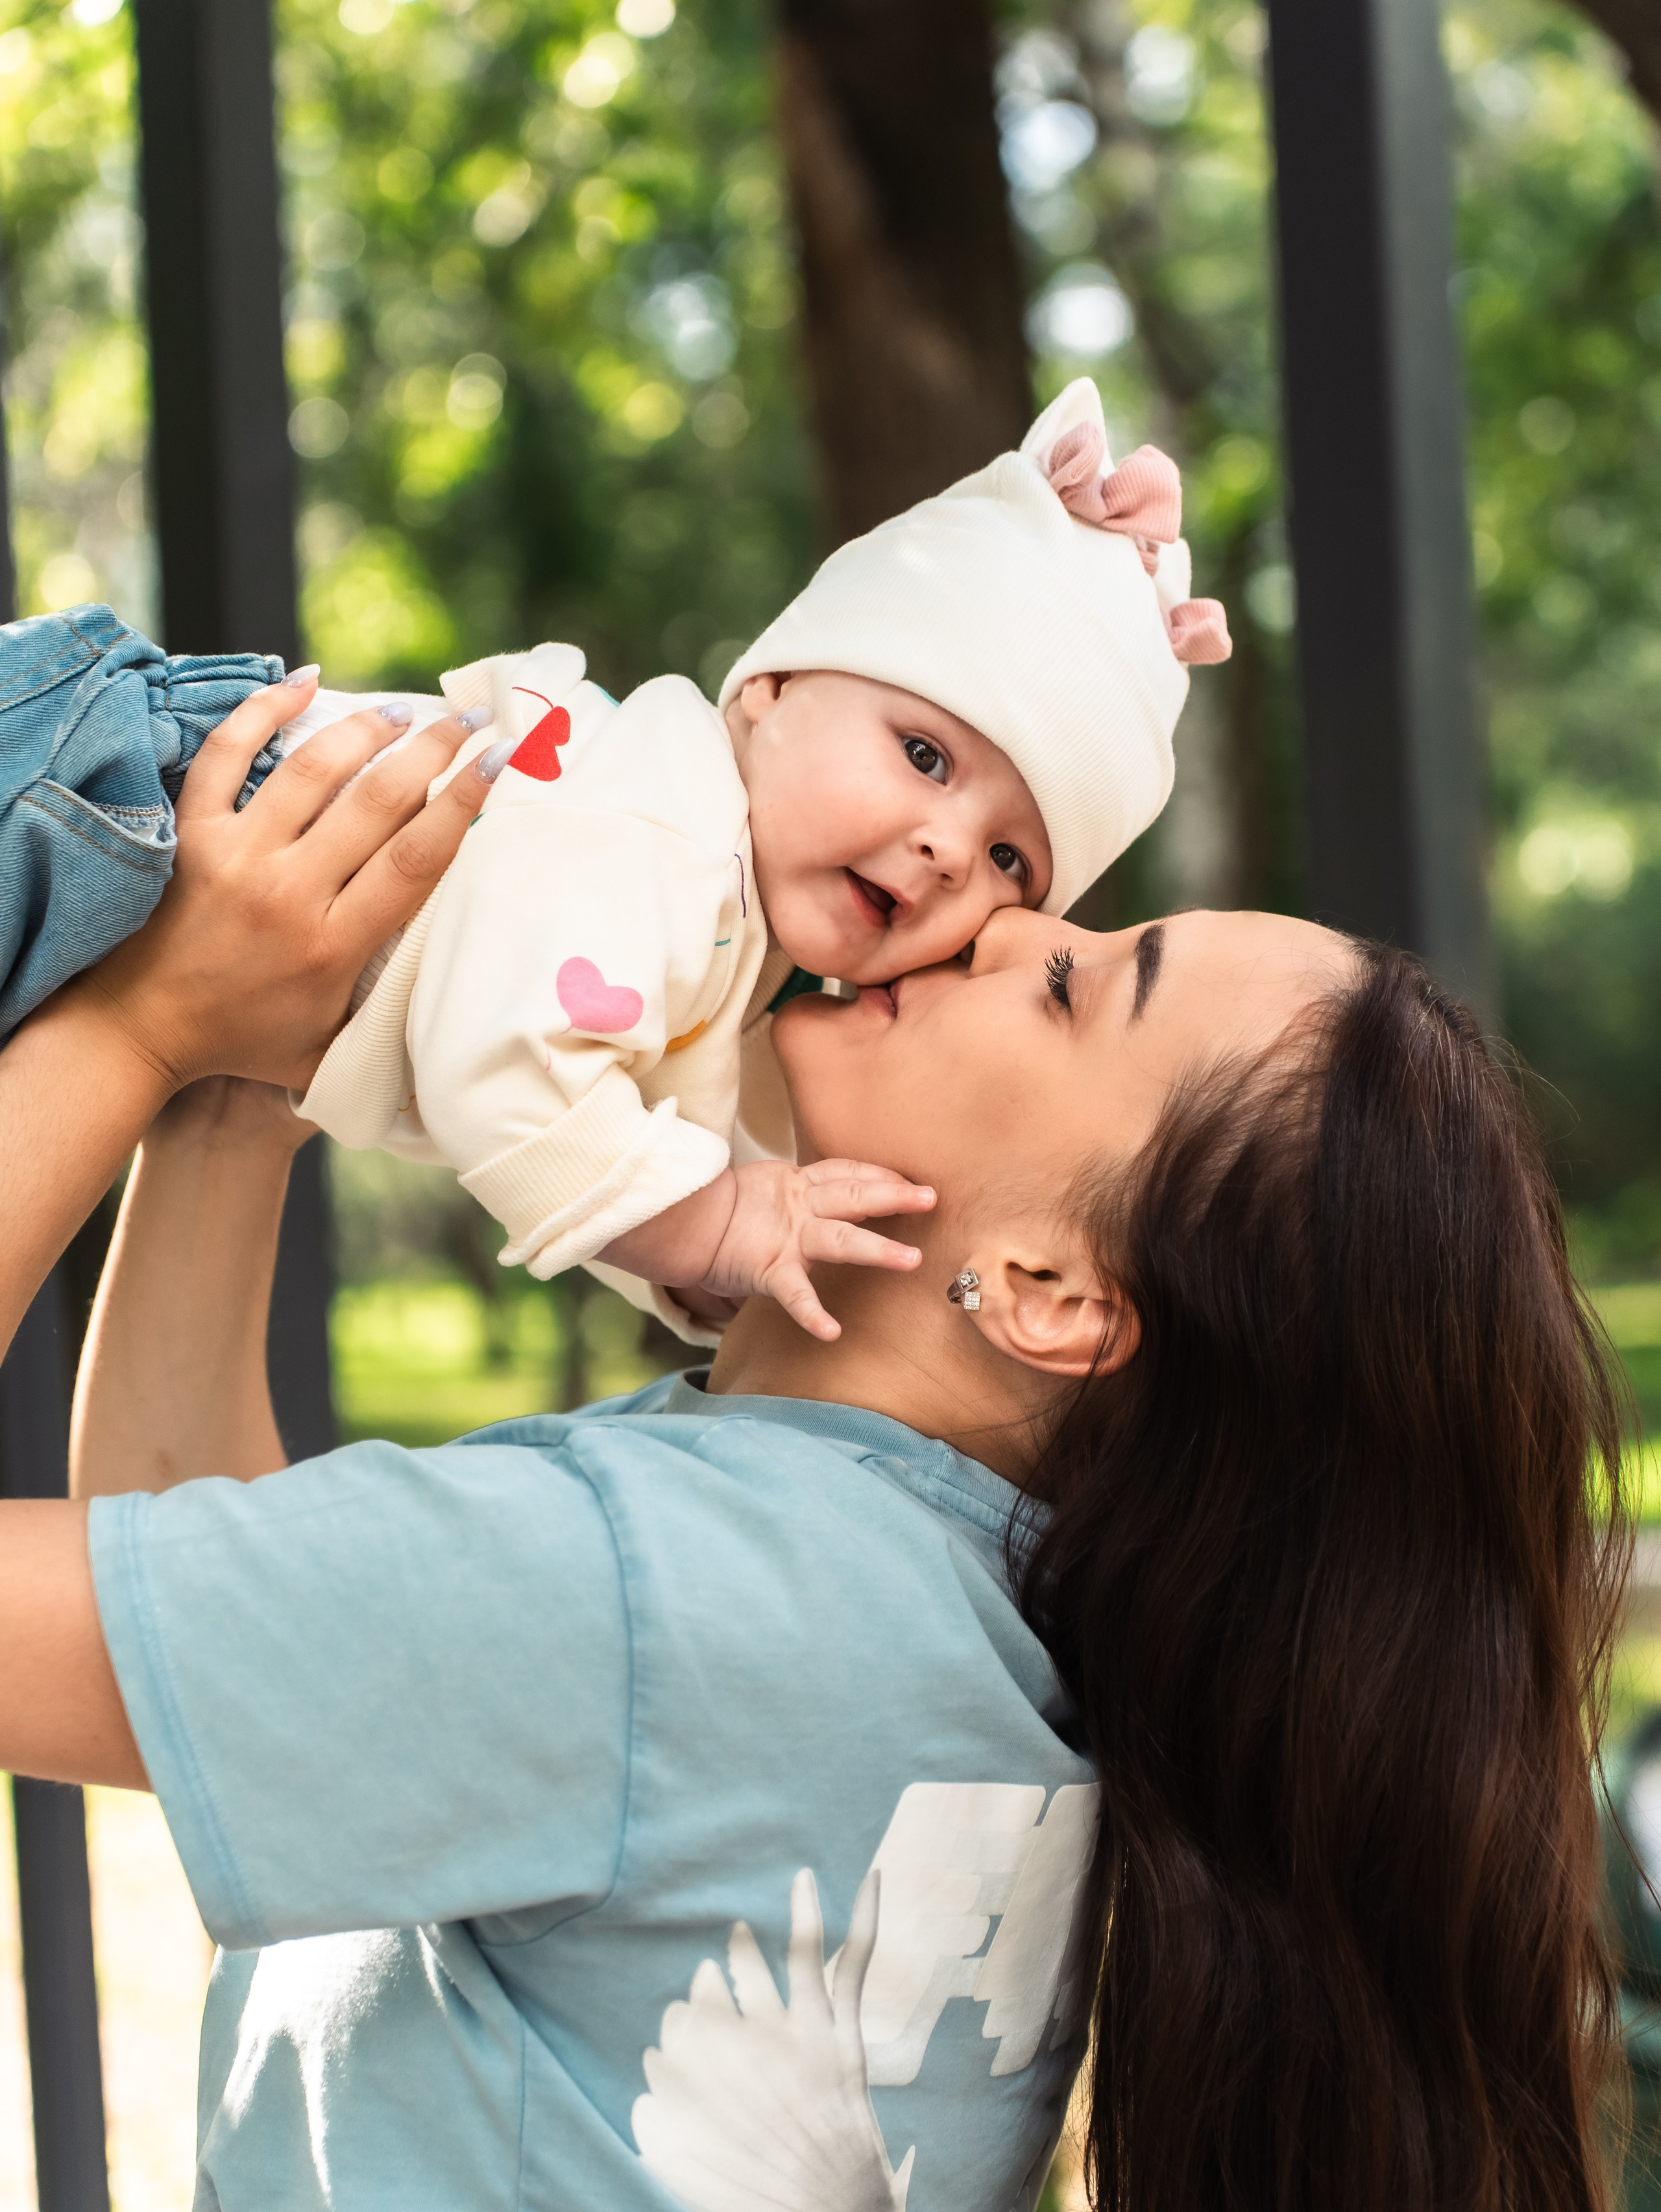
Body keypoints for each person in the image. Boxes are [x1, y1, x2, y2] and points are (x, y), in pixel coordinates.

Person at [0, 680, 1631, 2212]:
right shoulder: (945, 1618)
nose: (1001, 916)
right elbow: (209, 1608)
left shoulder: (660, 1590)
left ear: (1058, 1293)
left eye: (1070, 979)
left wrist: (132, 1032)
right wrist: (247, 1072)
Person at [0, 376, 1230, 1345]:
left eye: (1015, 856)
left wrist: (723, 1264)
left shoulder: (734, 947)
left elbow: (644, 1124)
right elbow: (510, 1067)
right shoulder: (668, 827)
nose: (948, 847)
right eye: (924, 752)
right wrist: (713, 1227)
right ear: (772, 690)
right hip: (100, 786)